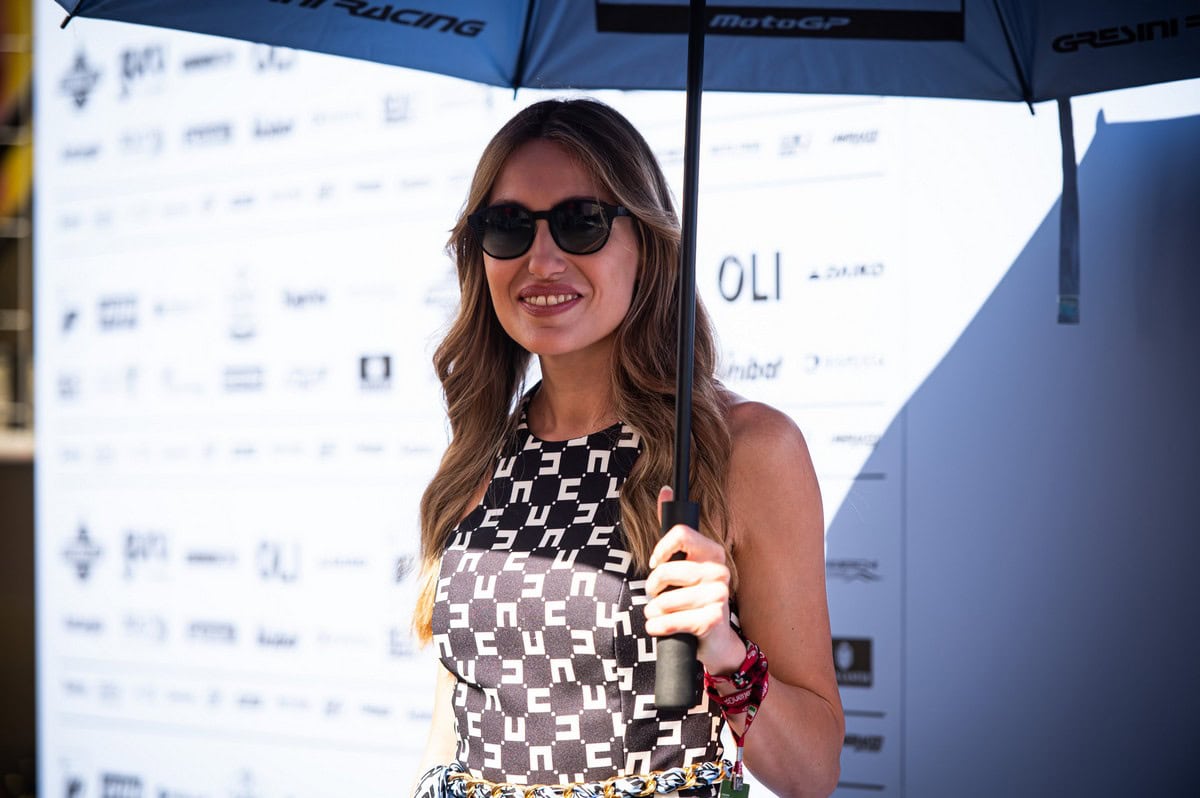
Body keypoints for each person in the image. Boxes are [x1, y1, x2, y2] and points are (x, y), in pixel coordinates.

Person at [411, 98, 843, 798]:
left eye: (581, 222)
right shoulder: (477, 453)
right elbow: (447, 730)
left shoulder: (744, 449)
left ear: (646, 243)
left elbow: (813, 770)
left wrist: (724, 650)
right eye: (509, 226)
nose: (541, 259)